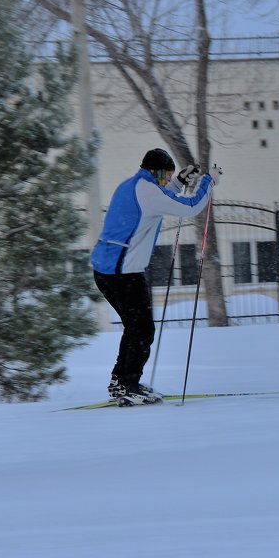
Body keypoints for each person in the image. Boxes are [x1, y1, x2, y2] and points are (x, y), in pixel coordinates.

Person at [90, 148, 221, 406]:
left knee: (135, 327)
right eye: (166, 175)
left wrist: (179, 182)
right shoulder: (147, 191)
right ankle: (127, 385)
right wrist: (209, 181)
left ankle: (121, 381)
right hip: (123, 272)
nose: (166, 180)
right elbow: (190, 207)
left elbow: (160, 196)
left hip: (107, 271)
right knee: (142, 329)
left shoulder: (135, 185)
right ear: (156, 171)